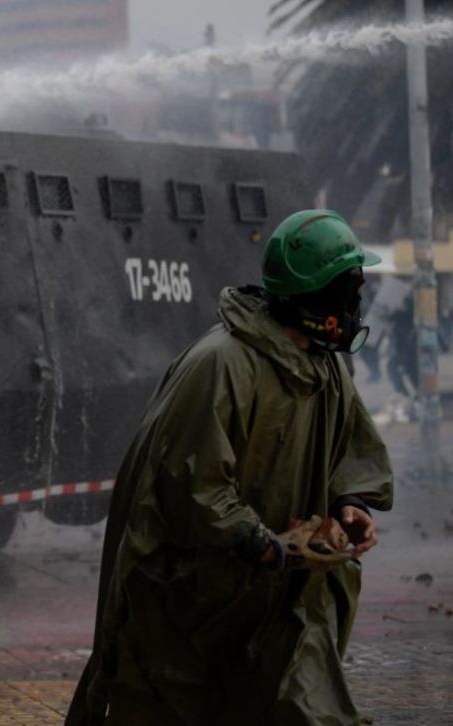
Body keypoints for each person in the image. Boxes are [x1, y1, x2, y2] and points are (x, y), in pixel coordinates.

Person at [65, 210, 394, 725]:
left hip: (274, 605)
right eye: (350, 289)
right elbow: (190, 487)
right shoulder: (220, 365)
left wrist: (349, 504)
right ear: (321, 296)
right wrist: (264, 544)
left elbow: (351, 450)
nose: (357, 304)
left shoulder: (326, 367)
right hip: (197, 611)